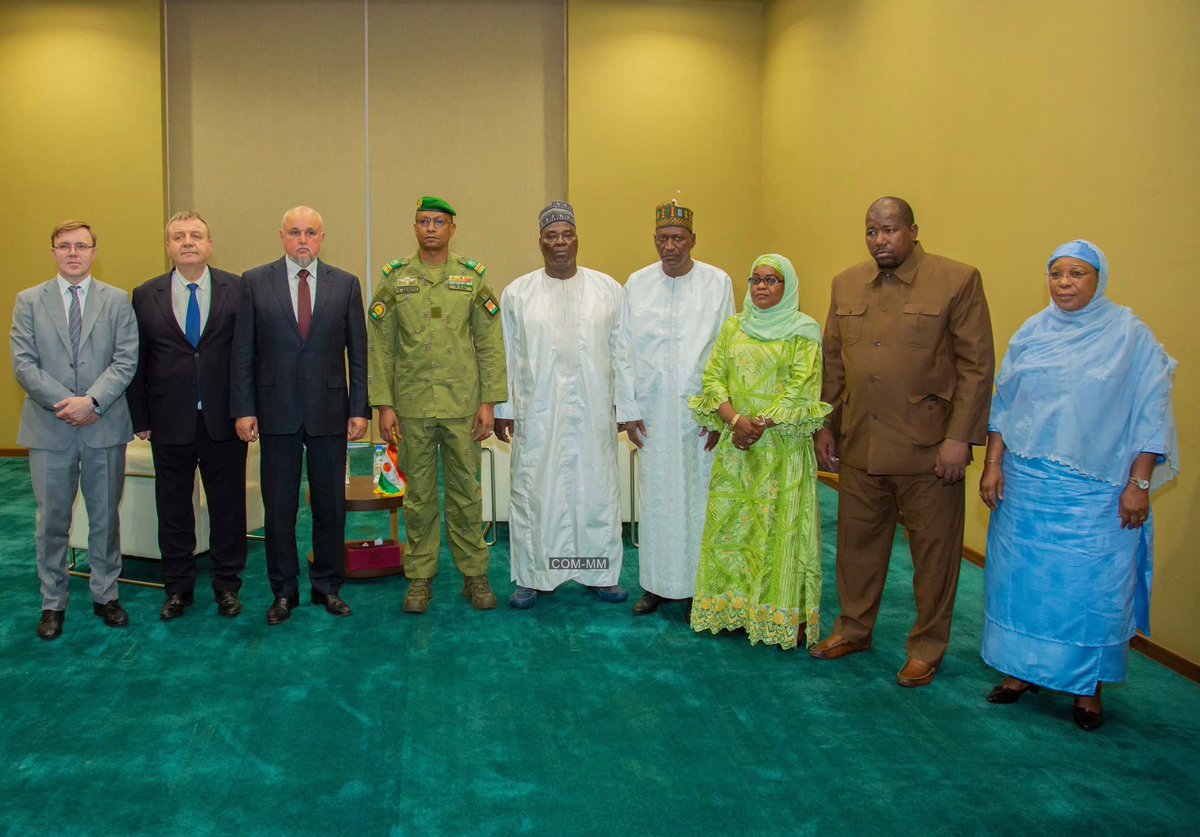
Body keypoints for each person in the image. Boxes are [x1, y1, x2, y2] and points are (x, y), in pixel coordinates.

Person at [979, 240, 1178, 732]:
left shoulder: (1131, 337)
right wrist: (993, 465)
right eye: (1056, 274)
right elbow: (1005, 404)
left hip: (1097, 493)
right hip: (1026, 488)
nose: (1064, 283)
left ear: (1098, 279)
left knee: (1089, 592)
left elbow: (1152, 414)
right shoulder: (1032, 331)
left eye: (1077, 274)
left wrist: (1139, 483)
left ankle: (1086, 688)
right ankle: (1019, 673)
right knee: (1021, 585)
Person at [811, 197, 995, 687]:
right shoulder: (846, 283)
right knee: (856, 546)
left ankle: (927, 647)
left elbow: (977, 368)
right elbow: (833, 361)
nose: (880, 240)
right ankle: (853, 628)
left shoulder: (956, 279)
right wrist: (824, 423)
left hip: (929, 449)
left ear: (913, 230)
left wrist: (960, 438)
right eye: (871, 231)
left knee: (933, 555)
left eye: (889, 230)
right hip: (861, 443)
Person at [494, 201, 640, 609]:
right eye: (551, 236)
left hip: (594, 410)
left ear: (578, 239)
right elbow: (506, 354)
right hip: (536, 411)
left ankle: (598, 573)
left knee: (596, 490)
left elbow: (622, 351)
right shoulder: (517, 293)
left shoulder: (608, 289)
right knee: (536, 491)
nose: (560, 243)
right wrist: (503, 408)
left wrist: (627, 409)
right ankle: (535, 575)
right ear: (540, 242)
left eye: (566, 235)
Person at [367, 196, 507, 614]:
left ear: (452, 228)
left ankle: (474, 575)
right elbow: (381, 346)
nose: (431, 228)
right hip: (411, 406)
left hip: (462, 405)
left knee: (466, 493)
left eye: (439, 222)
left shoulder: (472, 279)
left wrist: (489, 402)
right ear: (414, 228)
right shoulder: (394, 280)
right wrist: (383, 405)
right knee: (419, 497)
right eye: (423, 221)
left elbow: (489, 343)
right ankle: (420, 579)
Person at [231, 206, 369, 625]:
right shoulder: (254, 282)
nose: (303, 239)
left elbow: (358, 354)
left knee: (330, 506)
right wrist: (244, 409)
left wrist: (360, 407)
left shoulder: (345, 284)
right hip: (275, 413)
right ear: (282, 236)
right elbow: (244, 353)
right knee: (280, 507)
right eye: (295, 232)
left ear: (323, 237)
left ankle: (328, 587)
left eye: (311, 232)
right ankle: (284, 591)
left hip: (330, 412)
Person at [688, 255, 830, 649]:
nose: (762, 287)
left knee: (780, 530)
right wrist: (735, 421)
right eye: (755, 279)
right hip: (738, 450)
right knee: (735, 530)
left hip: (782, 448)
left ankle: (780, 614)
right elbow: (713, 378)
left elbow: (803, 386)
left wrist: (761, 424)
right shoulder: (734, 326)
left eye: (773, 280)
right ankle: (733, 608)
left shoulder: (804, 331)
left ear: (789, 287)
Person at [11, 220, 138, 639]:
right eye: (64, 246)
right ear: (52, 252)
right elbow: (24, 364)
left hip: (104, 424)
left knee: (105, 518)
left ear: (94, 251)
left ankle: (106, 594)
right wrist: (66, 404)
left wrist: (93, 402)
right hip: (50, 428)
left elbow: (125, 360)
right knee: (52, 520)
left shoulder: (118, 300)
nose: (72, 253)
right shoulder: (28, 300)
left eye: (80, 245)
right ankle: (53, 602)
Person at [128, 211, 248, 620]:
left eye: (196, 235)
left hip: (224, 419)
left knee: (228, 508)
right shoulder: (145, 295)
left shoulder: (237, 288)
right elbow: (137, 361)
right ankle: (178, 588)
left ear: (210, 245)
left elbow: (248, 356)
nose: (188, 242)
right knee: (174, 509)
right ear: (168, 247)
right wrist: (138, 416)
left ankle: (227, 586)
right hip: (168, 420)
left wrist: (248, 410)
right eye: (178, 236)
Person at [624, 200, 734, 616]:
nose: (670, 247)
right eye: (662, 239)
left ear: (693, 240)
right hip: (651, 414)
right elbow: (624, 350)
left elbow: (727, 351)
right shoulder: (636, 283)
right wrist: (629, 409)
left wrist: (720, 415)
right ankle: (655, 585)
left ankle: (695, 587)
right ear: (654, 240)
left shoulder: (717, 282)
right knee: (654, 500)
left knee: (697, 499)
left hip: (698, 415)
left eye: (678, 239)